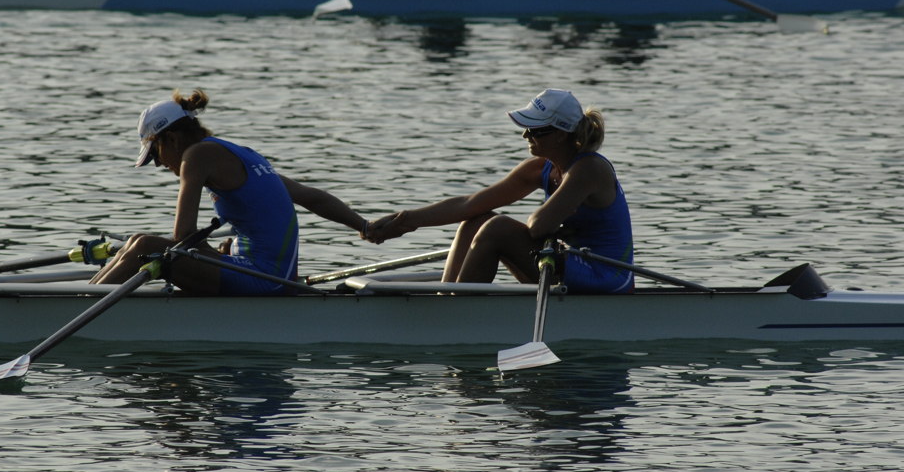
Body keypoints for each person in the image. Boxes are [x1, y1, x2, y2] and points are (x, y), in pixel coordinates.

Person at [91, 89, 369, 295]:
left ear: (172, 139)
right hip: (270, 272)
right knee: (138, 240)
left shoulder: (197, 156)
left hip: (267, 279)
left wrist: (211, 254)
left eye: (156, 154)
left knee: (144, 246)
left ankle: (76, 305)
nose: (160, 164)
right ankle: (83, 297)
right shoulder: (241, 154)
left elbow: (183, 236)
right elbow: (311, 196)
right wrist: (365, 226)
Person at [366, 89, 634, 293]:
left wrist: (547, 226)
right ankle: (446, 298)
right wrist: (405, 221)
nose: (526, 135)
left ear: (561, 134)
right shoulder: (540, 168)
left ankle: (455, 314)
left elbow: (539, 226)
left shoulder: (589, 169)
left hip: (607, 277)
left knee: (498, 228)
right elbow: (470, 203)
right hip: (562, 263)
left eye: (535, 130)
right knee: (477, 220)